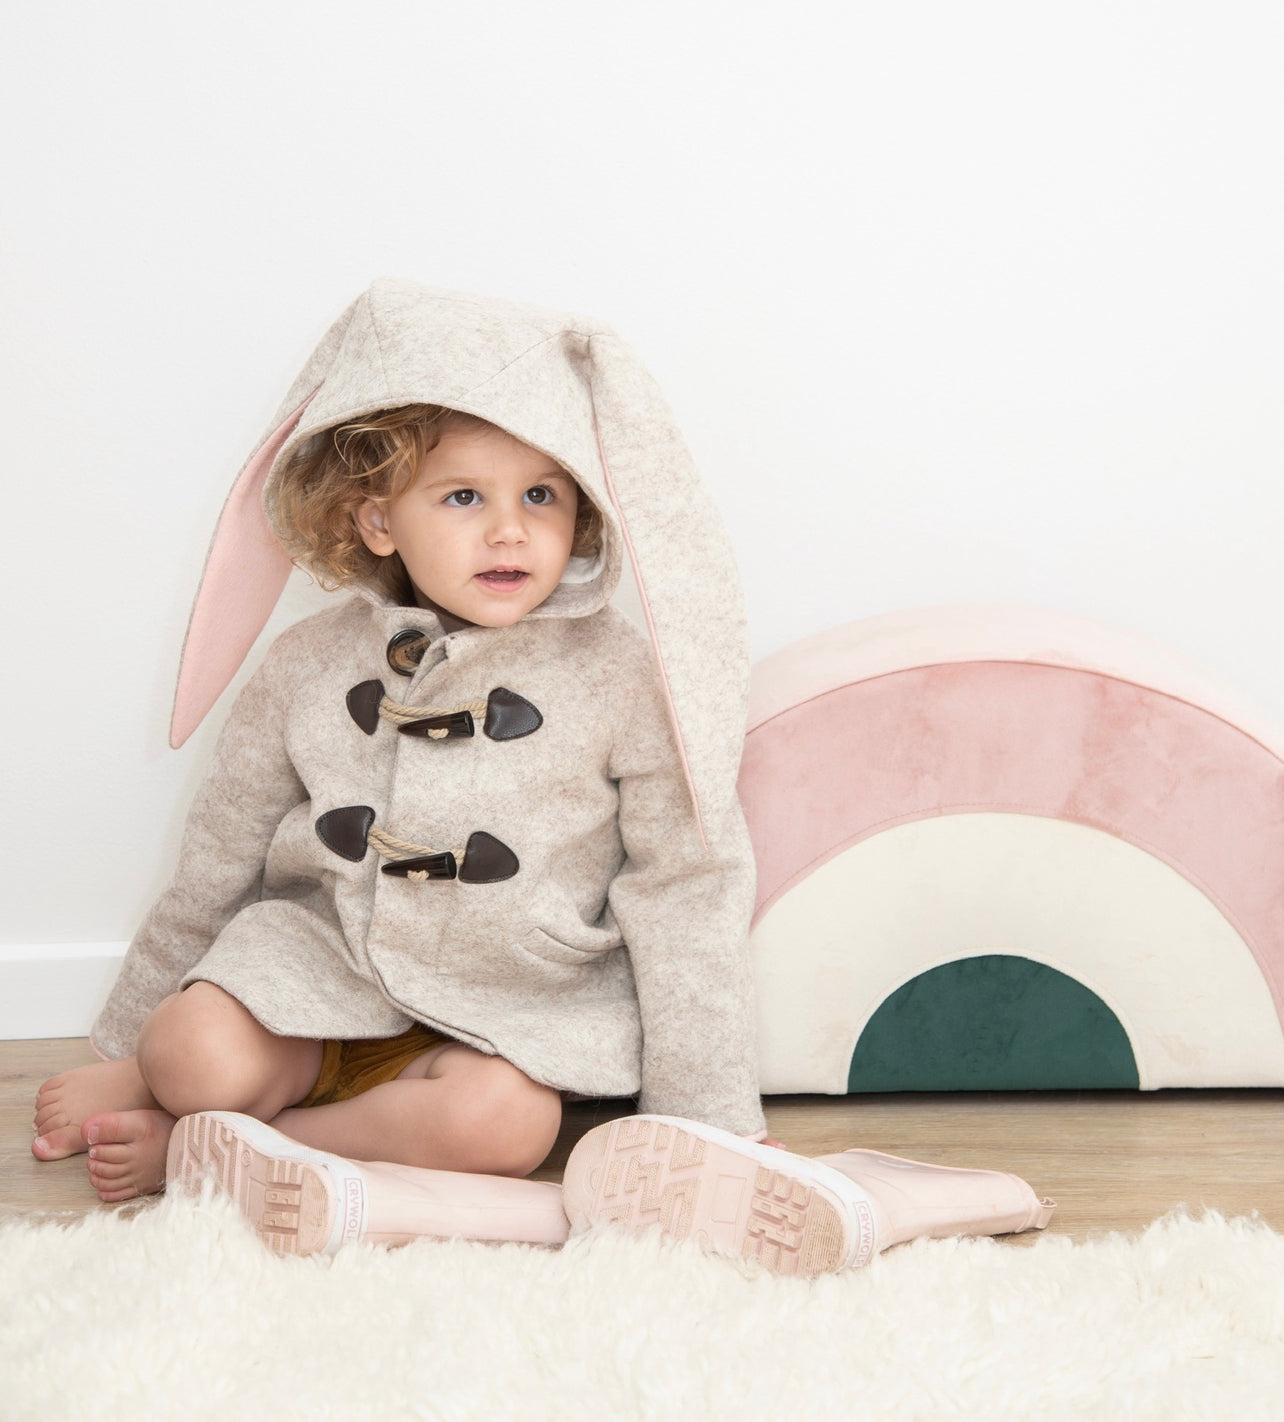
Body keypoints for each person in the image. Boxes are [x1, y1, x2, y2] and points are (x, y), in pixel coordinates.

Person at [33, 279, 1053, 1273]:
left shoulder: (619, 676)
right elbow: (220, 847)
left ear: (585, 515)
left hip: (507, 1017)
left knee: (506, 1127)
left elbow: (685, 879)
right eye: (465, 496)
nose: (510, 529)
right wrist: (127, 1034)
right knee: (188, 1053)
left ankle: (241, 1147)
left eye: (541, 496)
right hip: (317, 978)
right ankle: (187, 1097)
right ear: (378, 520)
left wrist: (708, 1119)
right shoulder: (306, 667)